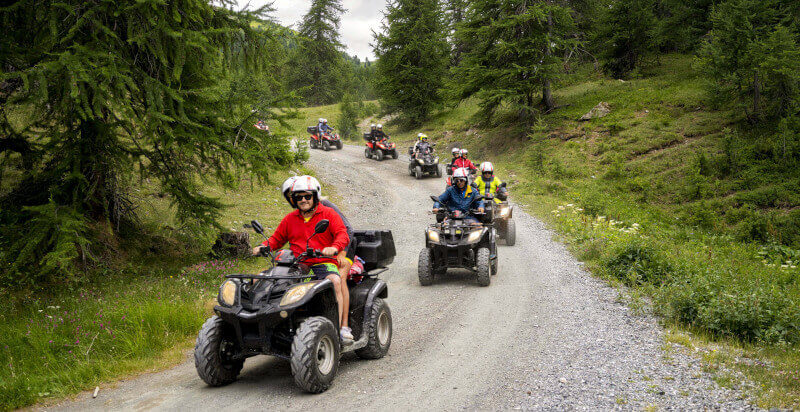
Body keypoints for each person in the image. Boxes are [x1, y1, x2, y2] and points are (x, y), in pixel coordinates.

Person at [255, 175, 352, 343]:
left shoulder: (328, 214)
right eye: (299, 197)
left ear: (315, 196)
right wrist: (263, 246)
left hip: (323, 263)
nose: (303, 200)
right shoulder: (290, 219)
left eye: (307, 196)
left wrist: (334, 247)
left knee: (335, 281)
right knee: (267, 279)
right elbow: (276, 239)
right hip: (298, 265)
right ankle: (271, 323)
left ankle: (341, 329)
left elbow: (342, 234)